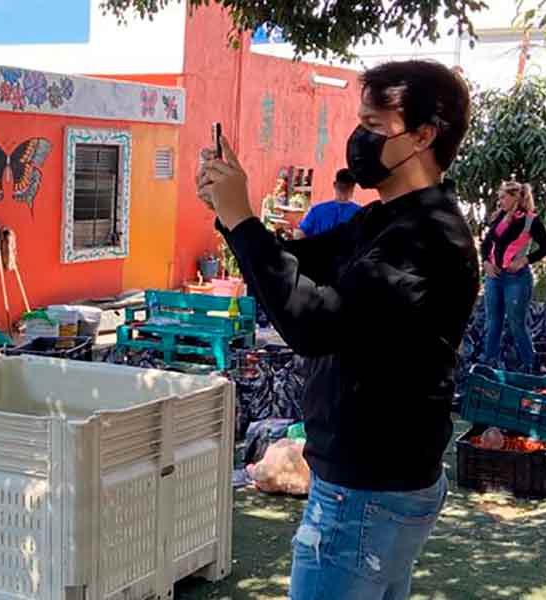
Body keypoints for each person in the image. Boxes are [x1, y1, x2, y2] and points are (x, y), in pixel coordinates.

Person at [198, 60, 478, 599]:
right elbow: (295, 263)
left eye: (374, 127)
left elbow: (312, 322)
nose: (359, 139)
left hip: (367, 493)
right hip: (376, 484)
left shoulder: (427, 238)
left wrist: (241, 220)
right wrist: (231, 212)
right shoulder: (387, 220)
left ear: (423, 136)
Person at [479, 181, 546, 372]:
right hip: (494, 277)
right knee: (492, 322)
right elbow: (486, 244)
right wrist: (486, 262)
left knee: (516, 324)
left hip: (517, 279)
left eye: (504, 196)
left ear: (516, 198)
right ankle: (488, 367)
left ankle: (531, 367)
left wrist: (524, 260)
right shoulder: (500, 217)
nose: (500, 200)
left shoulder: (530, 220)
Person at [296, 168, 360, 238]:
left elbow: (300, 233)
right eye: (343, 186)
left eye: (346, 187)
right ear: (353, 187)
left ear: (335, 185)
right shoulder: (360, 213)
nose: (344, 189)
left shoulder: (317, 210)